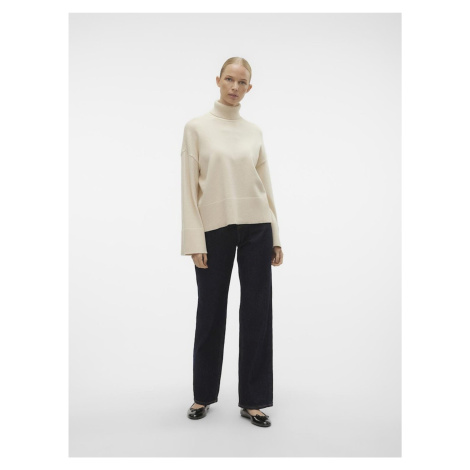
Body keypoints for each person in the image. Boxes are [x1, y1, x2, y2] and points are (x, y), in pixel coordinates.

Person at [181, 57, 284, 428]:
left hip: (257, 226)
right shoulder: (196, 128)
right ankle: (203, 394)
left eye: (242, 82)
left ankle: (253, 400)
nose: (234, 87)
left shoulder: (254, 132)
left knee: (257, 312)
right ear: (218, 80)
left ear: (249, 88)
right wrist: (194, 239)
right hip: (214, 228)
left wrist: (275, 235)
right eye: (229, 79)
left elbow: (265, 186)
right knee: (211, 310)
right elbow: (188, 187)